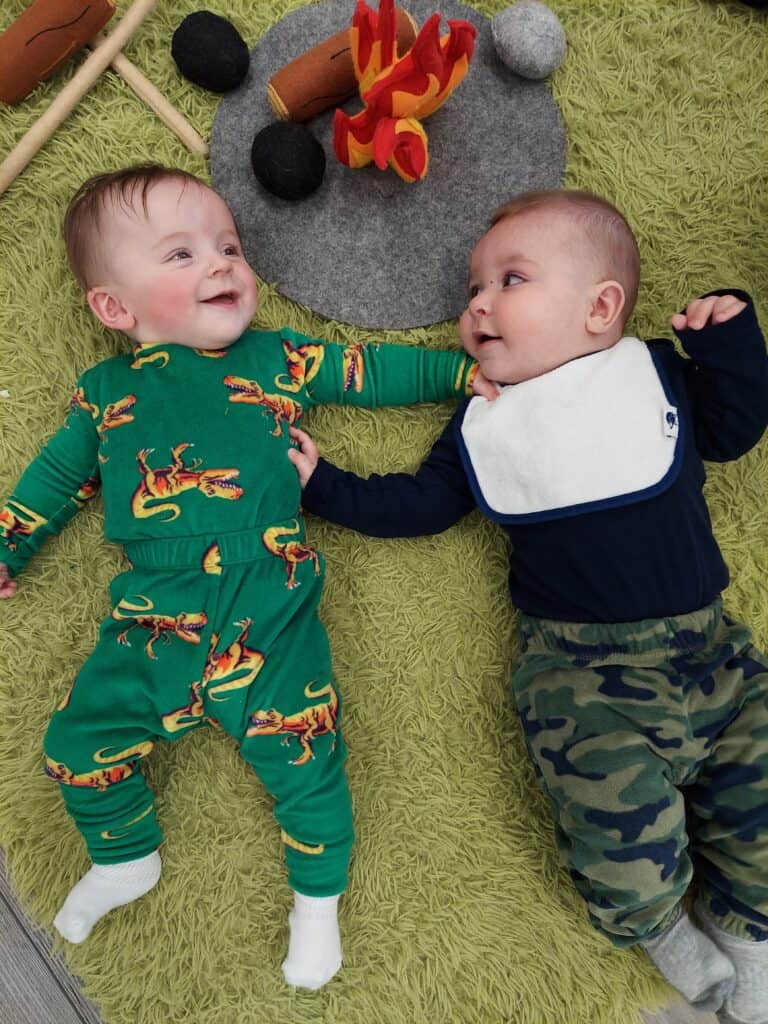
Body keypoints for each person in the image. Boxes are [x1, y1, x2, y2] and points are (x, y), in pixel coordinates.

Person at [0, 164, 492, 990]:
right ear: (115, 309)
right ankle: (126, 856)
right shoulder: (104, 396)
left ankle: (316, 906)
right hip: (153, 620)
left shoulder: (277, 359)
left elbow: (369, 372)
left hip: (269, 610)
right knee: (74, 747)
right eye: (182, 254)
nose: (223, 264)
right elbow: (53, 483)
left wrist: (461, 374)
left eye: (229, 246)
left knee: (308, 762)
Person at [287, 189, 768, 1021]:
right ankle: (655, 925)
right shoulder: (485, 420)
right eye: (473, 290)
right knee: (617, 832)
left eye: (510, 279)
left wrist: (727, 341)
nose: (477, 303)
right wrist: (323, 485)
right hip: (582, 681)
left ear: (601, 307)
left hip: (713, 655)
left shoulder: (652, 374)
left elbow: (734, 428)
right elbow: (424, 505)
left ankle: (751, 933)